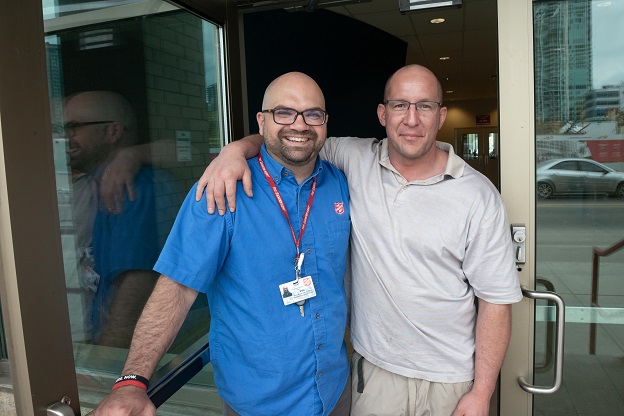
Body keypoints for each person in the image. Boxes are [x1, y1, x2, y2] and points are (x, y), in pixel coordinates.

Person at [197, 64, 523, 416]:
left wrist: (482, 392)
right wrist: (235, 150)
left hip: (451, 380)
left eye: (424, 106)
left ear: (441, 116)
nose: (411, 119)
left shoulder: (478, 195)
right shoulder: (353, 159)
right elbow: (292, 137)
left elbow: (496, 302)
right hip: (375, 374)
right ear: (383, 114)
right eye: (400, 105)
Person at [90, 72, 352, 416]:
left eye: (312, 114)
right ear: (262, 120)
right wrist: (132, 380)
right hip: (259, 403)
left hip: (334, 390)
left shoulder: (340, 182)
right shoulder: (220, 191)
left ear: (325, 121)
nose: (299, 125)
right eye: (284, 113)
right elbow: (177, 289)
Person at [64, 91, 161, 346]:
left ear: (113, 132)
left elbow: (136, 284)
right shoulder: (95, 182)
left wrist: (106, 357)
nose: (65, 137)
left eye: (73, 127)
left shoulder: (128, 186)